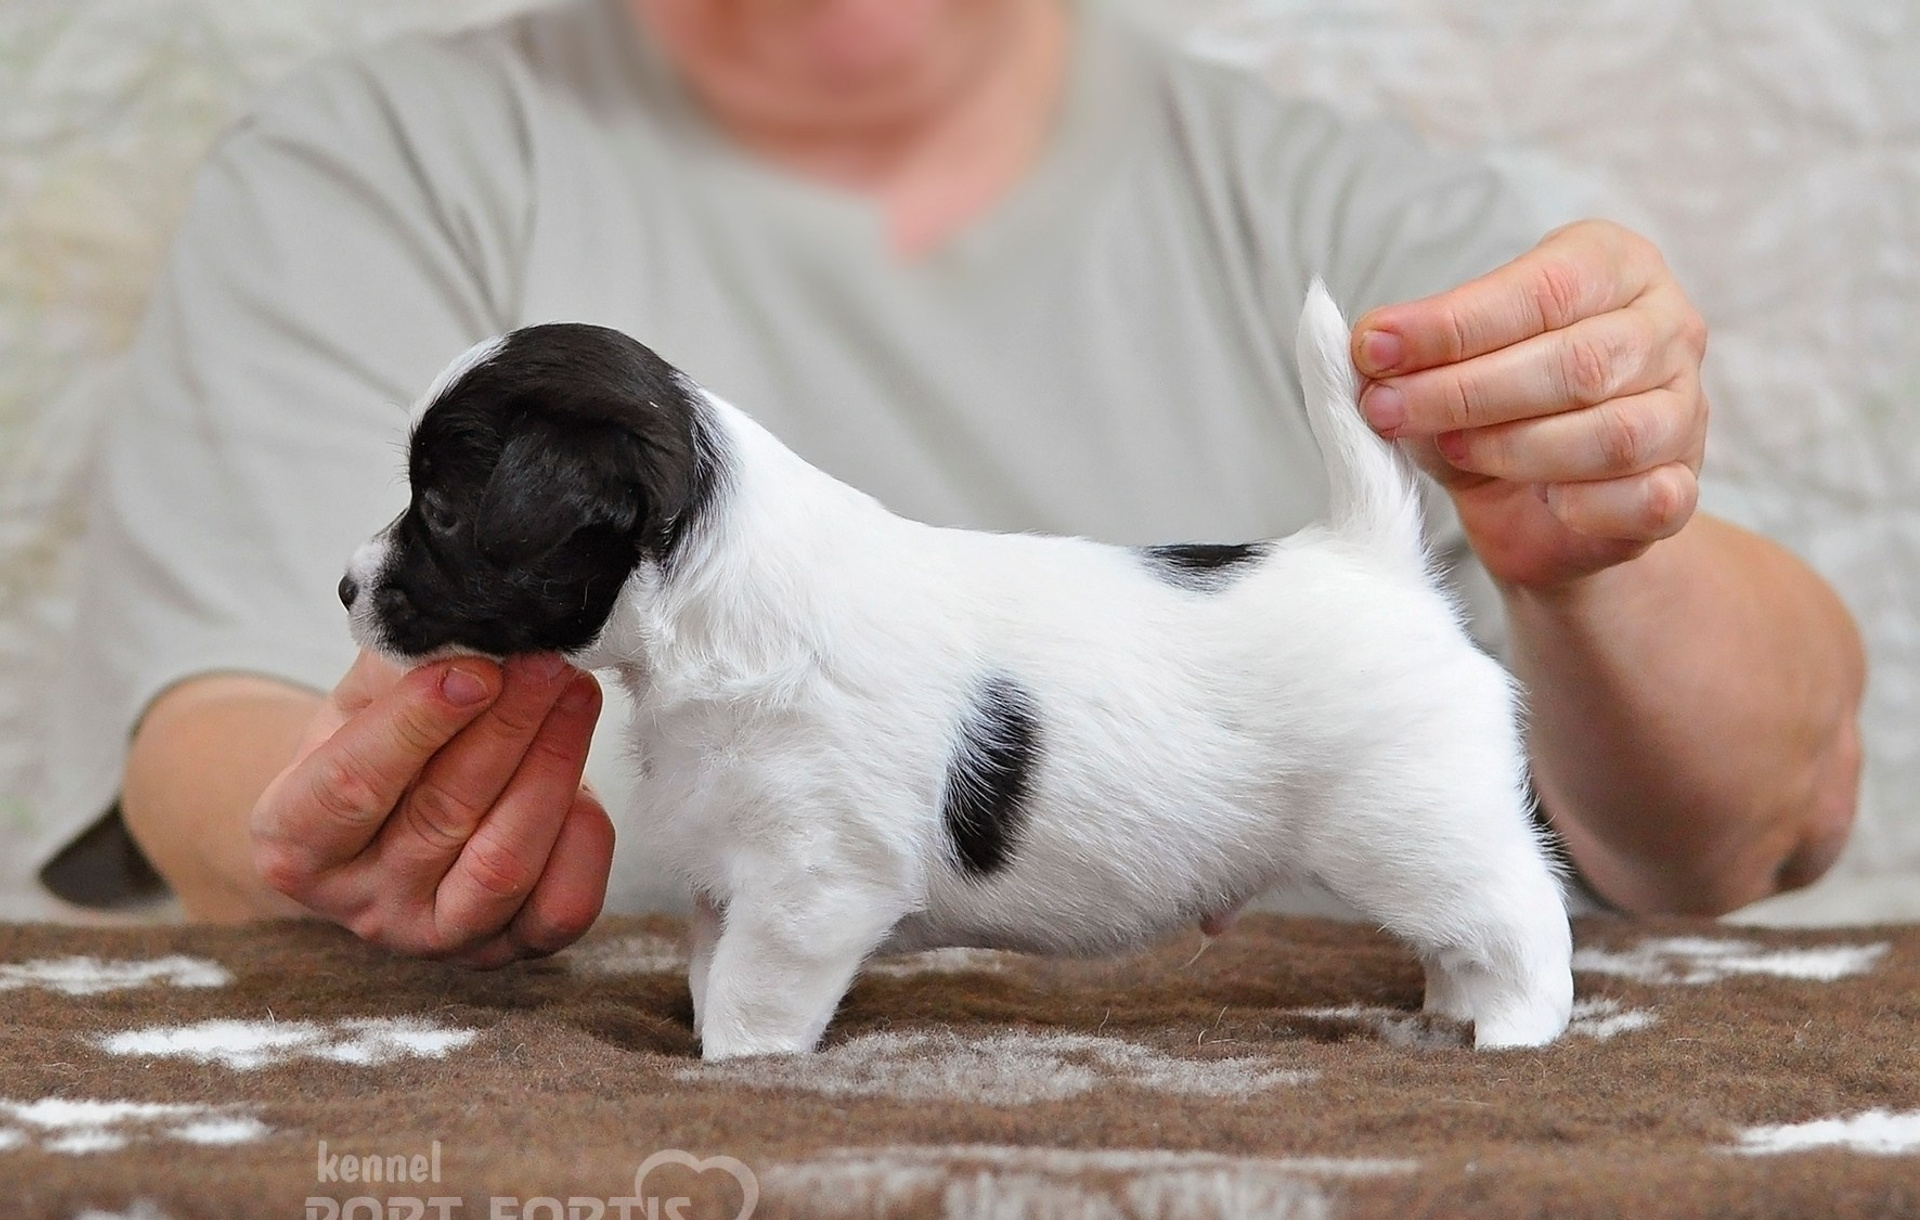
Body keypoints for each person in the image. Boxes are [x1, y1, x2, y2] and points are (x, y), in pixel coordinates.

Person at [37, 0, 1863, 965]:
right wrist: (334, 836)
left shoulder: (1359, 215)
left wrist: (1599, 547)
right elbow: (215, 733)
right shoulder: (370, 168)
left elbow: (1764, 819)